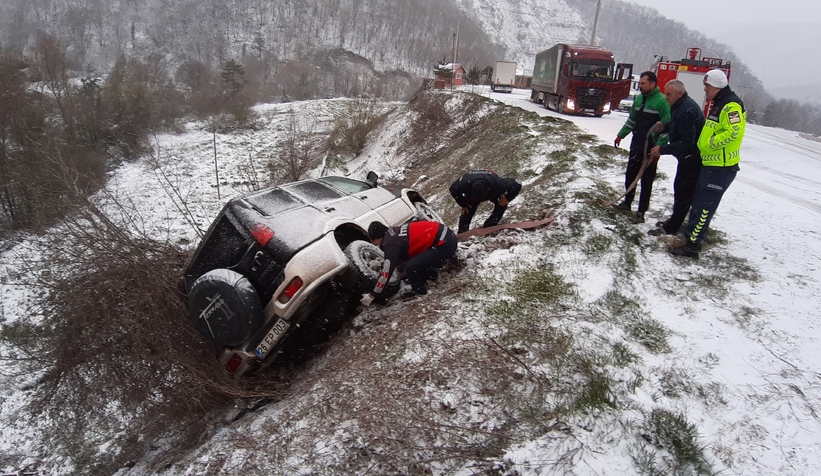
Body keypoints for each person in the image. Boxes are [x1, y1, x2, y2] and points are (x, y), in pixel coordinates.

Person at [670, 69, 745, 258]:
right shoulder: (718, 104)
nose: (705, 89)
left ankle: (692, 246)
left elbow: (733, 132)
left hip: (721, 167)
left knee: (704, 207)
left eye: (707, 86)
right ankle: (690, 238)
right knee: (698, 203)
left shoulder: (731, 106)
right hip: (710, 164)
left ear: (717, 86)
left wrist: (710, 145)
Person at [647, 80, 705, 236]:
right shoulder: (680, 106)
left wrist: (663, 149)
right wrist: (664, 126)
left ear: (680, 94)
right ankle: (674, 221)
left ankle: (672, 227)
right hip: (686, 158)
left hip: (692, 159)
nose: (666, 97)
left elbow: (688, 141)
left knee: (683, 193)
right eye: (666, 93)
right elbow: (676, 123)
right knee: (680, 190)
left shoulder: (688, 110)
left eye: (669, 94)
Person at [613, 71, 671, 224]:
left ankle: (641, 211)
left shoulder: (661, 102)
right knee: (631, 173)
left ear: (653, 84)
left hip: (651, 148)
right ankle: (627, 202)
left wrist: (660, 147)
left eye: (643, 84)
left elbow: (667, 128)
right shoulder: (639, 99)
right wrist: (621, 135)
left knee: (647, 179)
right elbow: (632, 120)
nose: (640, 87)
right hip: (636, 143)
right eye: (640, 84)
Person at [359, 220, 458, 306]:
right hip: (447, 235)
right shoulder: (393, 232)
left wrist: (372, 294)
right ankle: (431, 276)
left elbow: (386, 274)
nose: (373, 243)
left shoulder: (391, 244)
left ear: (377, 237)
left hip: (444, 245)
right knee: (415, 260)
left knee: (411, 266)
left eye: (373, 240)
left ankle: (421, 294)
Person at [449, 169, 522, 234]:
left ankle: (490, 225)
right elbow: (452, 189)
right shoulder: (463, 184)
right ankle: (462, 232)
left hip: (491, 187)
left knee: (502, 203)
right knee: (468, 209)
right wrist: (463, 204)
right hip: (472, 190)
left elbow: (517, 183)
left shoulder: (499, 184)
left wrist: (507, 198)